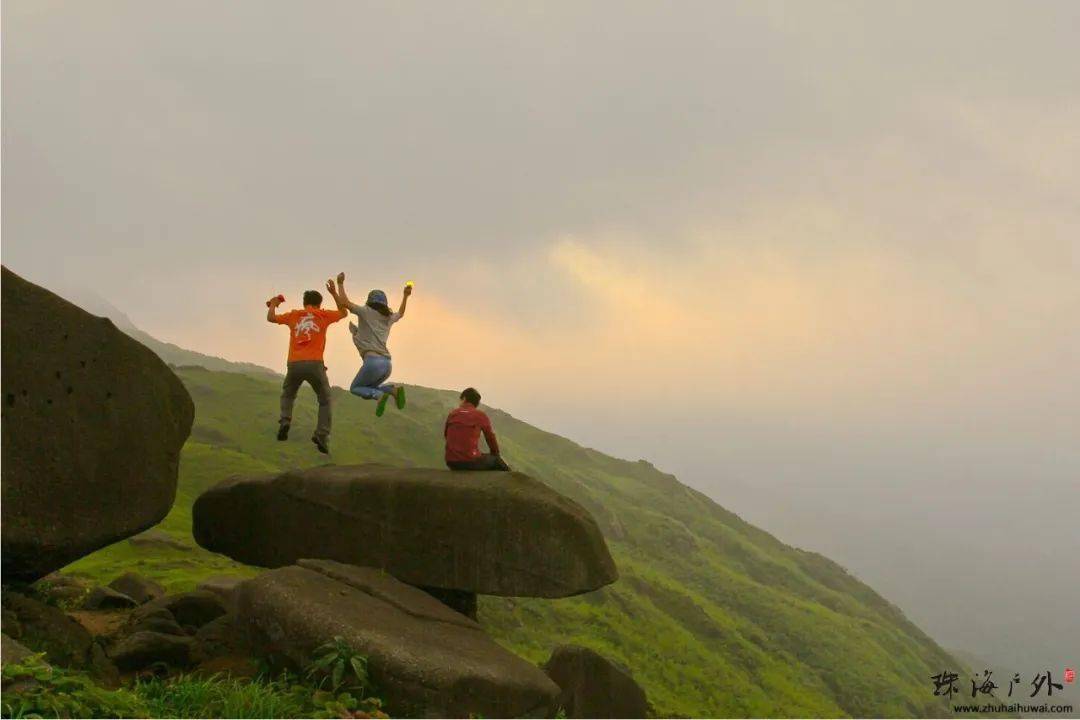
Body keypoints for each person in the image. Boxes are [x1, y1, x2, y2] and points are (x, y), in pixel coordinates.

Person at [266, 280, 347, 454]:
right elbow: (343, 312)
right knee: (325, 400)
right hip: (315, 364)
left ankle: (285, 420)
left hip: (294, 364)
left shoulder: (294, 315)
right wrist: (334, 292)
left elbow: (271, 318)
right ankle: (321, 434)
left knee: (288, 395)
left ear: (304, 303)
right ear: (319, 304)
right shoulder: (323, 315)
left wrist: (273, 304)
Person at [335, 272, 410, 417]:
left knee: (355, 388)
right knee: (369, 387)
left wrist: (340, 283)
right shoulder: (388, 317)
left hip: (373, 362)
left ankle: (379, 396)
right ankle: (392, 391)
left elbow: (344, 302)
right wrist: (405, 296)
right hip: (387, 364)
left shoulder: (365, 311)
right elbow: (400, 313)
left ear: (369, 301)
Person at [444, 387, 510, 471]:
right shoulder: (480, 415)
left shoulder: (453, 414)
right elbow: (490, 437)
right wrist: (495, 454)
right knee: (497, 461)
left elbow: (446, 435)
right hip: (470, 461)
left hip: (451, 462)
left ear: (464, 399)